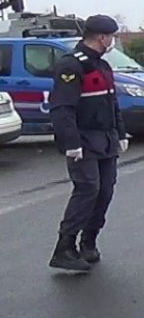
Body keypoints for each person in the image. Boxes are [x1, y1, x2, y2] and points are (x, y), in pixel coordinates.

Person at [48, 14, 127, 271]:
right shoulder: (72, 66)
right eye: (111, 36)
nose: (112, 41)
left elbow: (111, 102)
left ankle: (89, 242)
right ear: (102, 37)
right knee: (87, 190)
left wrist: (121, 134)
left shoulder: (102, 66)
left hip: (105, 139)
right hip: (83, 139)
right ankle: (64, 248)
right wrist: (71, 143)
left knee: (105, 191)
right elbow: (62, 108)